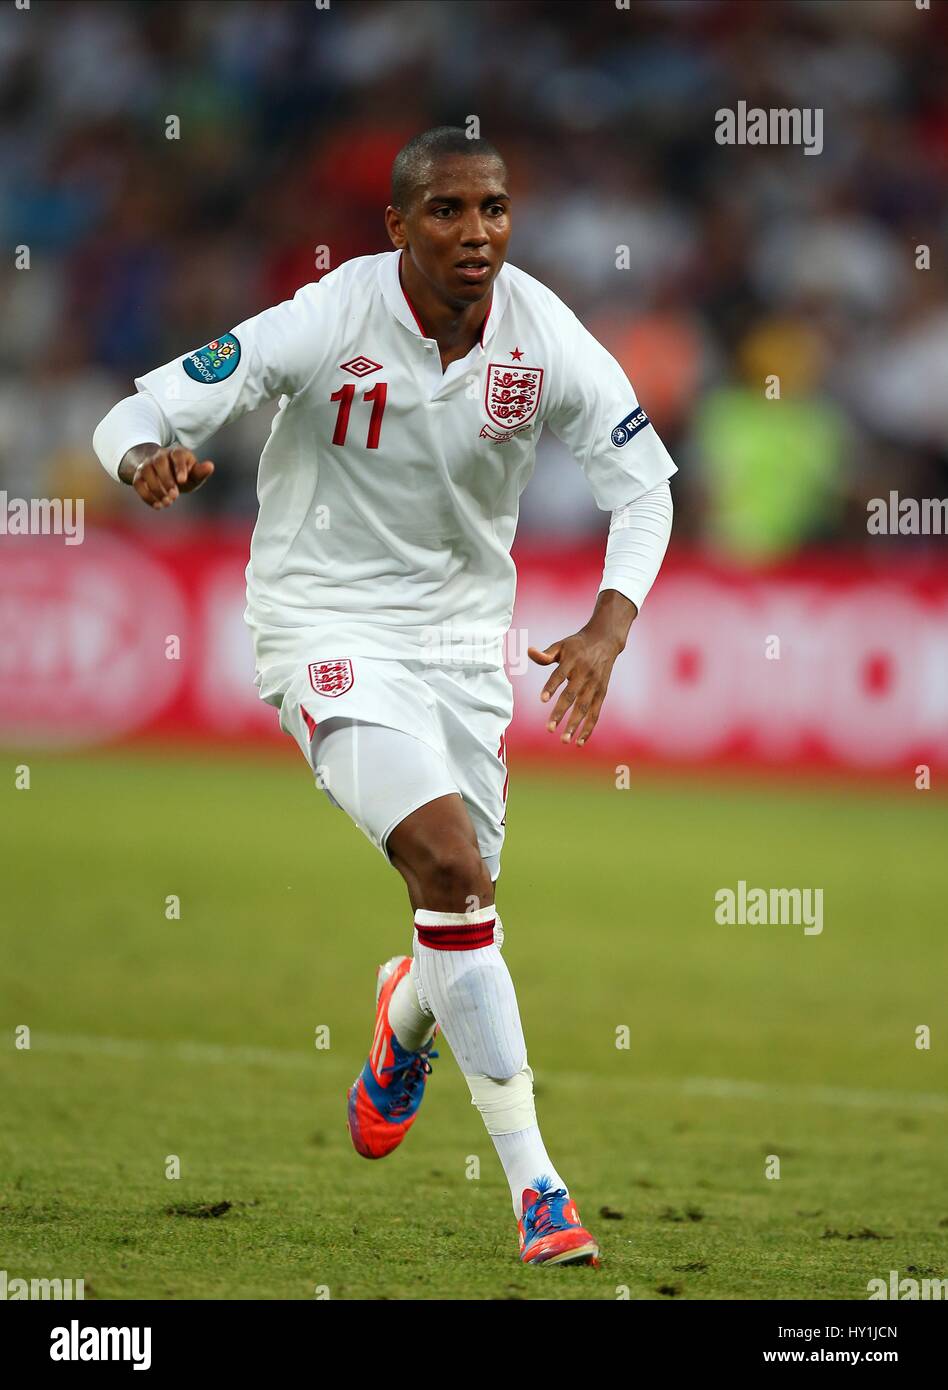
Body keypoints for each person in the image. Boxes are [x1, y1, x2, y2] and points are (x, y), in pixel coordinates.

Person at [93, 127, 676, 1268]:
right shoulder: (327, 316)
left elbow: (644, 486)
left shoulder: (542, 332)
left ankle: (405, 1007)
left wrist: (611, 625)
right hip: (323, 623)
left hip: (463, 649)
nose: (479, 233)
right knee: (452, 869)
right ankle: (539, 1190)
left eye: (496, 209)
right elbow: (136, 411)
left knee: (460, 908)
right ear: (397, 225)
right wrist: (142, 462)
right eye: (451, 212)